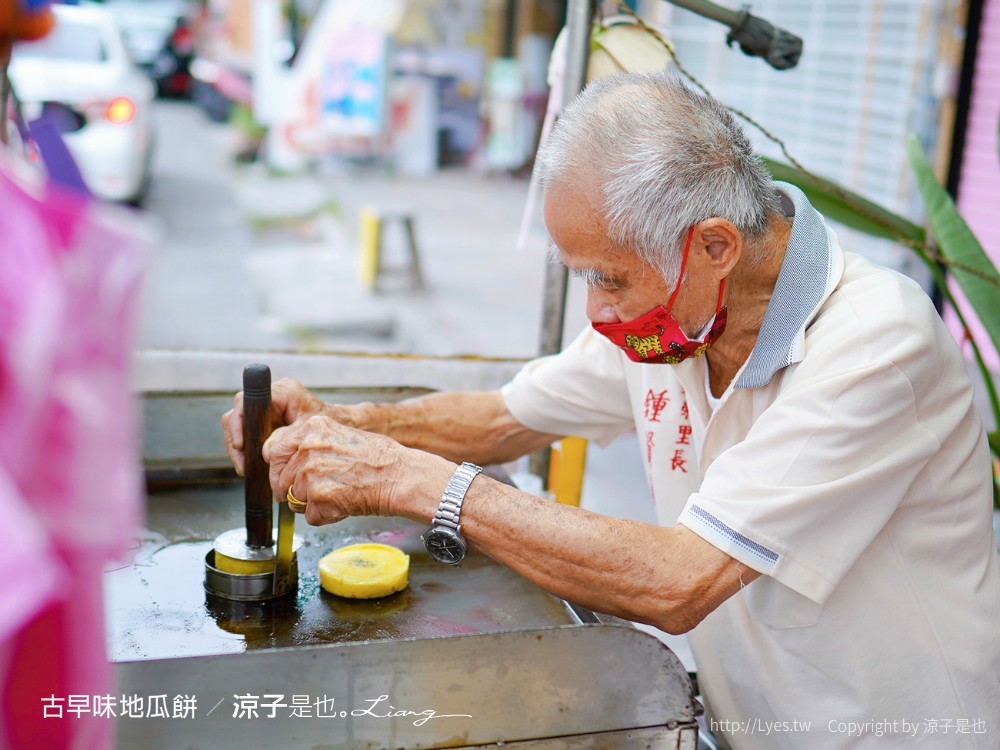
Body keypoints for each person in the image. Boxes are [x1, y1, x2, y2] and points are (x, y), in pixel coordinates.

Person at [222, 72, 1000, 749]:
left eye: (610, 280)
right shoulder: (675, 324)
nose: (597, 313)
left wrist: (417, 483)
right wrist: (338, 424)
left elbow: (679, 580)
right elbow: (506, 418)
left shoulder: (875, 342)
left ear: (715, 247)